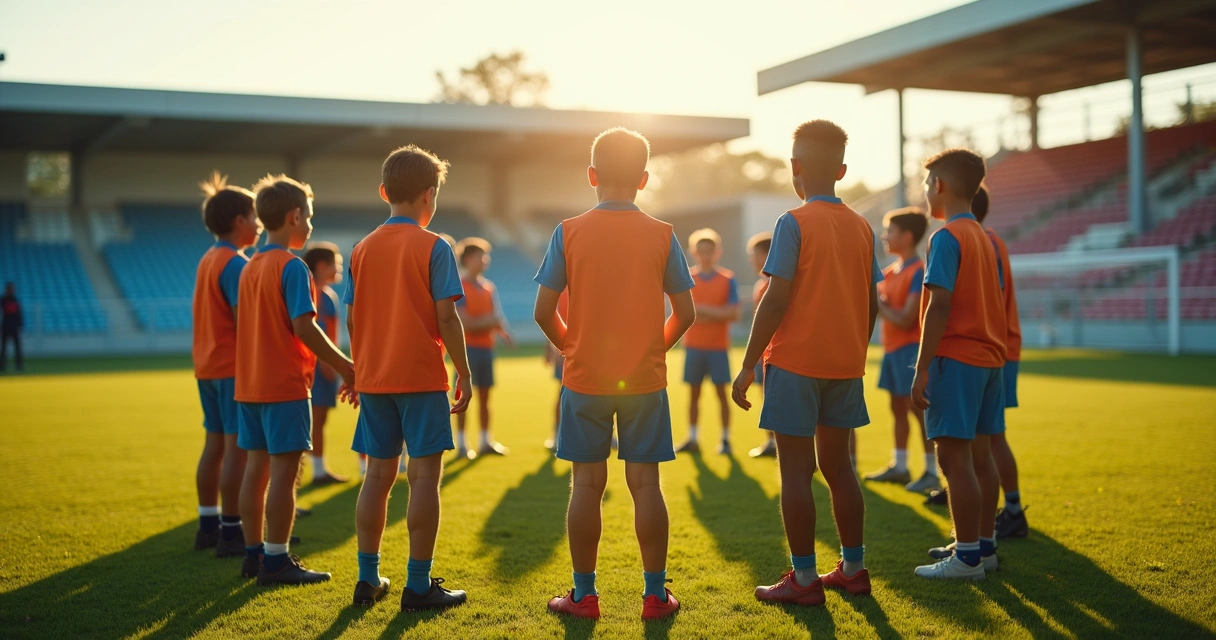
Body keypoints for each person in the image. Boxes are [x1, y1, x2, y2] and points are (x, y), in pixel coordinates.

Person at [535, 127, 695, 621]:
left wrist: (573, 351)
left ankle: (584, 597)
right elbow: (686, 312)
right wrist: (653, 349)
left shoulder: (568, 231)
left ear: (591, 176)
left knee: (586, 486)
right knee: (647, 486)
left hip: (585, 379)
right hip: (644, 380)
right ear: (645, 179)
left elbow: (544, 312)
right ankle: (654, 596)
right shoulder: (663, 234)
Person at [732, 119, 879, 605]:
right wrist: (856, 347)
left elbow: (775, 299)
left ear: (794, 169)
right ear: (841, 168)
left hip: (795, 365)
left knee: (795, 472)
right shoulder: (861, 226)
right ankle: (854, 570)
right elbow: (871, 299)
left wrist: (749, 362)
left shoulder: (791, 222)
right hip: (845, 365)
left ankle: (803, 579)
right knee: (841, 469)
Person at [346, 145, 471, 610]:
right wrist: (463, 370)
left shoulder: (361, 249)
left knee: (376, 477)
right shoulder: (435, 246)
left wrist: (362, 368)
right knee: (423, 481)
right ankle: (417, 585)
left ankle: (367, 576)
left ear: (383, 192)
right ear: (429, 196)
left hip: (374, 379)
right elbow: (446, 317)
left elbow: (353, 321)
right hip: (421, 378)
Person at [235, 174, 355, 585]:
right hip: (285, 384)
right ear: (293, 217)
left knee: (256, 470)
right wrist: (345, 365)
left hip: (248, 384)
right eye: (309, 217)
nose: (310, 226)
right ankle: (276, 560)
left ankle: (253, 554)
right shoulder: (292, 266)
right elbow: (305, 328)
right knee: (285, 475)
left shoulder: (249, 265)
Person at [910, 149, 1007, 580]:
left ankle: (966, 558)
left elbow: (940, 303)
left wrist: (921, 366)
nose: (924, 189)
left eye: (926, 182)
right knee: (982, 458)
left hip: (958, 357)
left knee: (953, 460)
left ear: (940, 186)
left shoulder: (946, 237)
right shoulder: (984, 238)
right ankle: (982, 547)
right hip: (990, 359)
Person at [191, 173, 262, 557]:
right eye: (254, 216)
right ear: (239, 221)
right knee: (237, 449)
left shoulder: (208, 259)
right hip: (233, 367)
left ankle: (209, 525)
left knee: (214, 444)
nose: (258, 224)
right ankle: (233, 530)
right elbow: (244, 322)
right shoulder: (235, 264)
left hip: (207, 366)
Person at [864, 208, 940, 494]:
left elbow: (906, 318)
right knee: (896, 408)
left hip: (911, 350)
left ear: (907, 237)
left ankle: (931, 471)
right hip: (892, 349)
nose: (885, 237)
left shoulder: (918, 270)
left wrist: (880, 303)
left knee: (917, 411)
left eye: (890, 231)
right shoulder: (889, 271)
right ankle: (900, 466)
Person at [974, 185, 1028, 539]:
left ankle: (1009, 511)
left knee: (991, 435)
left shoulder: (984, 243)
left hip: (991, 350)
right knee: (986, 435)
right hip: (998, 347)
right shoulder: (988, 240)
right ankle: (998, 505)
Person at [675, 228, 739, 456]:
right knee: (693, 395)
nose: (704, 255)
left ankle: (725, 439)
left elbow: (732, 313)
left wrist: (701, 310)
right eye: (700, 251)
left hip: (718, 347)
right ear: (693, 252)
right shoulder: (687, 278)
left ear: (717, 252)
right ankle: (692, 438)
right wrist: (715, 313)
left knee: (722, 394)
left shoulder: (727, 279)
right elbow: (683, 312)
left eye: (709, 251)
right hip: (693, 346)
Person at [453, 237, 514, 459]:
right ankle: (461, 443)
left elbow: (496, 318)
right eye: (481, 256)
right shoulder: (459, 286)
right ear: (468, 259)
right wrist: (489, 321)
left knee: (486, 396)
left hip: (486, 348)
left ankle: (485, 441)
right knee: (463, 397)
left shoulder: (489, 287)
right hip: (467, 349)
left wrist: (502, 332)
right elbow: (466, 323)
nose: (485, 261)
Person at [302, 241, 349, 486]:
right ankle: (316, 471)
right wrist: (329, 365)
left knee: (318, 421)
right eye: (336, 263)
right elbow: (318, 333)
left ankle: (318, 469)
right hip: (318, 368)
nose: (339, 268)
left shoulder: (325, 294)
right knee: (315, 421)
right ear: (321, 266)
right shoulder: (316, 294)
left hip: (322, 365)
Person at [745, 233, 778, 459]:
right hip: (762, 355)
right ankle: (772, 442)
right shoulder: (760, 285)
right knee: (766, 398)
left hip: (777, 355)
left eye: (755, 254)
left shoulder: (777, 285)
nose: (752, 260)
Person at [543, 287, 569, 451]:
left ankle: (609, 434)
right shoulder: (560, 290)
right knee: (562, 393)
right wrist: (551, 347)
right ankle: (557, 434)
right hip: (564, 347)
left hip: (593, 347)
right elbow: (549, 316)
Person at [0, 282, 22, 372]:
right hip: (5, 326)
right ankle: (2, 365)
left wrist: (20, 325)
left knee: (17, 347)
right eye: (10, 289)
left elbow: (19, 314)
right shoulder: (3, 300)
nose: (12, 290)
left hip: (14, 327)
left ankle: (18, 365)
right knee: (3, 347)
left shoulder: (15, 300)